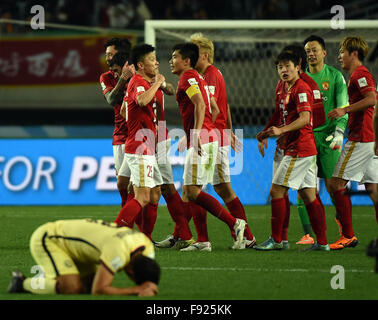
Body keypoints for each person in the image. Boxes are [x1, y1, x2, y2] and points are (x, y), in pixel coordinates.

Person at [169, 42, 246, 251]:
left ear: (186, 61)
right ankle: (196, 239)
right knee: (191, 190)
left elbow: (201, 105)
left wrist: (196, 131)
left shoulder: (188, 77)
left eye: (175, 57)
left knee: (193, 191)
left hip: (203, 138)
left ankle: (234, 223)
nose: (171, 61)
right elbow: (214, 107)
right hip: (210, 137)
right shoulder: (200, 78)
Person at [254, 51, 329, 251]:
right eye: (280, 67)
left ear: (298, 66)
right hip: (293, 147)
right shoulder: (281, 86)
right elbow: (279, 113)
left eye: (288, 65)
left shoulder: (302, 88)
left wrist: (282, 130)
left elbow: (305, 118)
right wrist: (265, 133)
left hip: (299, 148)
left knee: (277, 190)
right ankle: (322, 243)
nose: (283, 70)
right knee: (308, 195)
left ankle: (277, 240)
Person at [292, 35, 349, 244]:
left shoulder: (335, 77)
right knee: (304, 189)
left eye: (314, 50)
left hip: (328, 138)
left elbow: (343, 106)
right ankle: (308, 234)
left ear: (324, 53)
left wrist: (340, 132)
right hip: (306, 138)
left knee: (334, 186)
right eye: (307, 51)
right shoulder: (300, 80)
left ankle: (346, 229)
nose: (311, 54)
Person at [8, 218, 160, 296]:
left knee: (85, 287)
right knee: (71, 287)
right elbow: (99, 290)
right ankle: (22, 283)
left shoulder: (146, 245)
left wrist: (148, 285)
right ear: (131, 272)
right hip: (50, 238)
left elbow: (93, 288)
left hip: (79, 250)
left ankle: (56, 275)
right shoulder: (119, 250)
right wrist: (135, 289)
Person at [327, 36, 378, 249]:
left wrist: (344, 110)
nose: (339, 56)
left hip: (360, 139)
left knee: (335, 183)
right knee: (374, 190)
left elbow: (372, 99)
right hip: (369, 138)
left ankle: (347, 234)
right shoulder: (357, 75)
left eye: (342, 52)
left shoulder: (360, 74)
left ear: (353, 53)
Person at [113, 44, 164, 236]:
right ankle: (117, 234)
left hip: (143, 145)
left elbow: (126, 110)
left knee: (155, 192)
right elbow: (142, 101)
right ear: (141, 65)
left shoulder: (137, 82)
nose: (157, 62)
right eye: (152, 59)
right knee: (142, 196)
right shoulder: (140, 82)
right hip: (140, 148)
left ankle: (145, 238)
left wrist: (148, 122)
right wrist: (158, 83)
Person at [100, 38, 135, 208]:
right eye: (106, 54)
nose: (107, 58)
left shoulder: (139, 73)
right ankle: (128, 229)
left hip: (140, 134)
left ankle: (143, 232)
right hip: (120, 136)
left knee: (142, 189)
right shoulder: (106, 77)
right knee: (123, 187)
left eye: (110, 54)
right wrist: (122, 79)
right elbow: (111, 99)